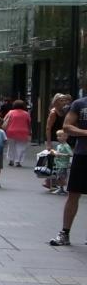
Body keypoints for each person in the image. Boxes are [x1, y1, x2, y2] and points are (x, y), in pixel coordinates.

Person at [52, 91, 87, 247]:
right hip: (83, 154)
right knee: (73, 194)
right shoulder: (80, 103)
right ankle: (65, 233)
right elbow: (66, 126)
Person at [3, 99, 32, 167]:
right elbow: (29, 123)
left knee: (11, 146)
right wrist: (30, 132)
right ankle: (18, 161)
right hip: (23, 132)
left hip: (11, 131)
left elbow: (4, 120)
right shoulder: (26, 114)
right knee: (21, 147)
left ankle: (11, 160)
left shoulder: (10, 112)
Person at [53, 129, 73, 194]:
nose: (58, 137)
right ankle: (61, 188)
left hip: (63, 164)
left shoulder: (66, 146)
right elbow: (57, 153)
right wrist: (54, 153)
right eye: (57, 136)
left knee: (61, 177)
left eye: (60, 136)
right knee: (58, 176)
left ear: (65, 137)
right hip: (58, 163)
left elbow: (71, 154)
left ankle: (62, 189)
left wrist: (60, 154)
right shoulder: (59, 145)